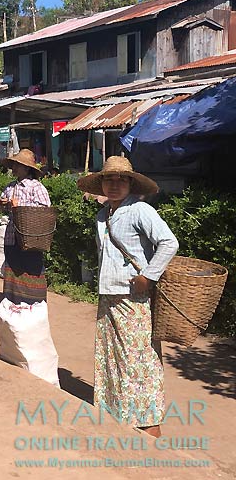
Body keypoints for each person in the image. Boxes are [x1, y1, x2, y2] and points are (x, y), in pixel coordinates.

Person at [77, 156, 178, 438]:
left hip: (133, 298)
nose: (114, 185)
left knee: (138, 360)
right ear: (101, 184)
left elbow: (169, 242)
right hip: (108, 296)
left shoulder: (140, 210)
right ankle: (118, 415)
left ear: (131, 184)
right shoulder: (103, 215)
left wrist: (149, 276)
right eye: (109, 179)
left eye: (121, 180)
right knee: (111, 358)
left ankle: (149, 424)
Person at [0, 149, 51, 305]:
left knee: (31, 268)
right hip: (11, 236)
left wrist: (19, 206)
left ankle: (33, 305)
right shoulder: (10, 187)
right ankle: (14, 304)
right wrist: (2, 204)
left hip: (30, 238)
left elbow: (44, 209)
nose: (14, 168)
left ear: (27, 168)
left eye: (17, 165)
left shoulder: (36, 187)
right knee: (13, 269)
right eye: (13, 164)